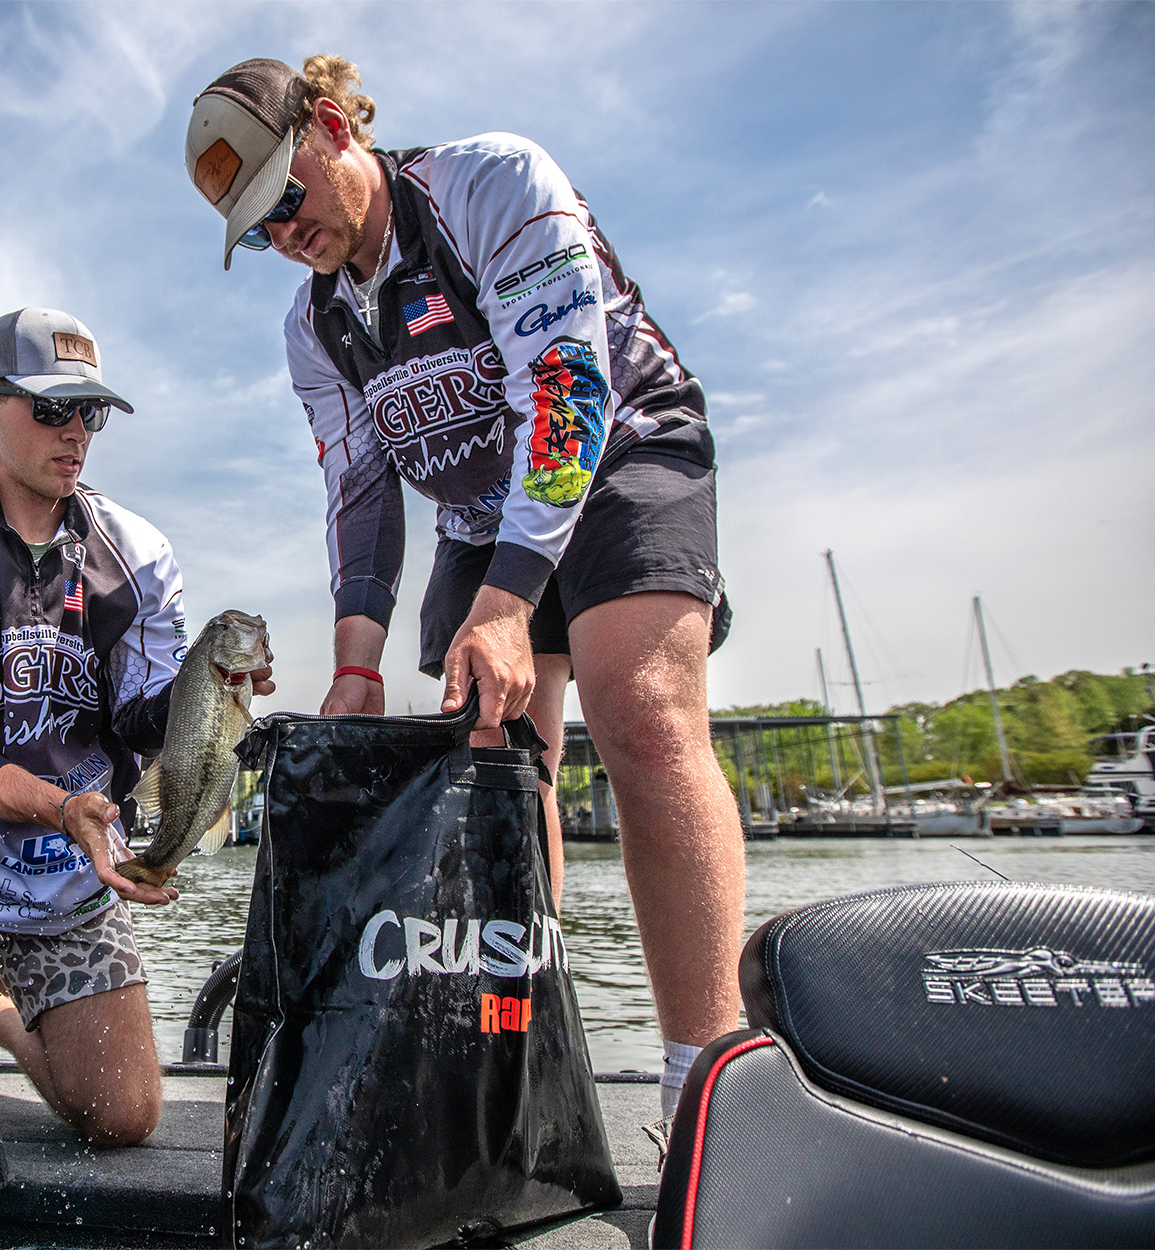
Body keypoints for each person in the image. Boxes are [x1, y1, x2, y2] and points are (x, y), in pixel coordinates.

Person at [184, 56, 744, 1119]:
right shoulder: (313, 328)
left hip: (619, 445)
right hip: (481, 510)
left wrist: (507, 601)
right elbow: (358, 493)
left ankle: (705, 1081)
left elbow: (566, 386)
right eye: (256, 232)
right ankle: (512, 1051)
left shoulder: (489, 184)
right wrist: (354, 663)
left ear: (336, 126)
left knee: (639, 707)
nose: (284, 237)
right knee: (488, 758)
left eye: (285, 200)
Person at [0, 307, 272, 1146]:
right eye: (50, 409)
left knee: (122, 1119)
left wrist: (213, 695)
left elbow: (145, 716)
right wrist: (57, 808)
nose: (75, 433)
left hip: (67, 871)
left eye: (91, 413)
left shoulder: (141, 552)